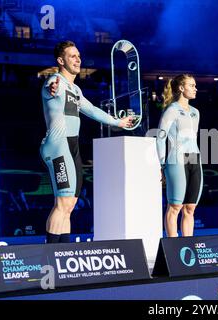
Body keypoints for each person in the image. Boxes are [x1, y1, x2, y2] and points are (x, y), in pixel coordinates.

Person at [40, 40, 133, 243]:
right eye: (72, 55)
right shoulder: (56, 81)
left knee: (70, 204)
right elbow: (49, 87)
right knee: (63, 203)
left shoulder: (75, 89)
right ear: (60, 60)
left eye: (78, 55)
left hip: (72, 147)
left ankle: (62, 257)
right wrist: (51, 86)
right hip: (58, 146)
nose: (78, 59)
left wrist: (118, 122)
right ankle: (49, 257)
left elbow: (92, 110)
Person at [156, 74, 202, 237]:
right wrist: (161, 164)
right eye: (192, 85)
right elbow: (160, 137)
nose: (195, 88)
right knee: (175, 206)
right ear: (182, 88)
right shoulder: (172, 110)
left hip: (195, 159)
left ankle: (187, 246)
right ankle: (174, 247)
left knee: (190, 208)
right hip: (177, 159)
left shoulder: (196, 112)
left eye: (195, 85)